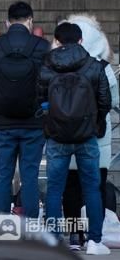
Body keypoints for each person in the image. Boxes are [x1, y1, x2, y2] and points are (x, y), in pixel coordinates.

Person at [39, 22, 111, 255]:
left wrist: (50, 122)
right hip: (87, 137)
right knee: (91, 188)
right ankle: (94, 242)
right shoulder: (94, 65)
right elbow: (104, 101)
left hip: (57, 137)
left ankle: (53, 240)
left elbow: (39, 101)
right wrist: (95, 125)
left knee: (54, 190)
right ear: (80, 41)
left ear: (57, 41)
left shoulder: (46, 65)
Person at [0, 1, 50, 218]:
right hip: (34, 122)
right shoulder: (43, 46)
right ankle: (29, 228)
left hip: (3, 122)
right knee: (30, 175)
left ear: (7, 22)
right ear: (30, 21)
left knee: (3, 175)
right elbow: (49, 82)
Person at [62, 14, 119, 251]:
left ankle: (75, 236)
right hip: (97, 139)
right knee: (95, 188)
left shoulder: (57, 64)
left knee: (70, 189)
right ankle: (95, 237)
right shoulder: (103, 69)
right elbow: (114, 99)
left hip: (65, 136)